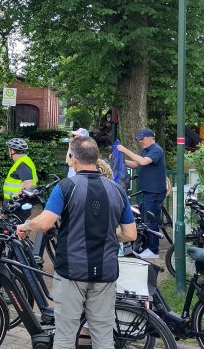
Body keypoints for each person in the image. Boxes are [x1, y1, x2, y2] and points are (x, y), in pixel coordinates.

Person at [16, 136, 136, 349]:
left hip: (72, 271)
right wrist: (106, 234)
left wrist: (26, 226)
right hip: (105, 272)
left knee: (65, 335)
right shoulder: (117, 190)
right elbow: (130, 233)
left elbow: (44, 223)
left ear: (73, 158)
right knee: (103, 335)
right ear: (97, 158)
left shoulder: (66, 187)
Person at [117, 128, 167, 259]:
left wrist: (125, 150)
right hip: (148, 191)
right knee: (146, 220)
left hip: (155, 192)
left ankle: (153, 250)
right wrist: (121, 161)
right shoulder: (146, 150)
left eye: (142, 138)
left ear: (151, 137)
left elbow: (144, 161)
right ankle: (147, 246)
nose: (140, 141)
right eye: (139, 139)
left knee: (151, 220)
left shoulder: (157, 150)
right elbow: (135, 164)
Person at [3, 138, 37, 203]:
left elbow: (28, 184)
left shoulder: (22, 164)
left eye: (9, 149)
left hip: (16, 202)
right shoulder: (25, 160)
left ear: (12, 151)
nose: (8, 151)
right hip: (18, 201)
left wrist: (17, 199)